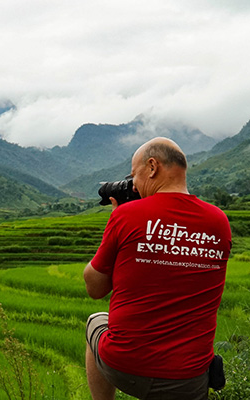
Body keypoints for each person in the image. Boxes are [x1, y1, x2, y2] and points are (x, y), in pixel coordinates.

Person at [83, 137, 231, 400]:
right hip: (191, 377)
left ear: (152, 167)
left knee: (96, 320)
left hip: (127, 367)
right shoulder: (219, 220)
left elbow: (95, 287)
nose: (135, 185)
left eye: (134, 175)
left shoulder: (126, 216)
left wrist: (117, 225)